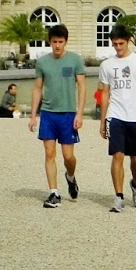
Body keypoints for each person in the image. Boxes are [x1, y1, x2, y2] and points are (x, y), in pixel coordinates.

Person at [98, 24, 136, 213]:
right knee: (117, 155)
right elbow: (105, 92)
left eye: (121, 43)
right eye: (115, 44)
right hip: (115, 115)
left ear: (128, 41)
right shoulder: (107, 64)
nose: (118, 47)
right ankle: (118, 196)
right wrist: (102, 120)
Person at [30, 24, 87, 208]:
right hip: (48, 113)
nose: (57, 45)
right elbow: (37, 88)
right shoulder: (42, 62)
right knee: (49, 153)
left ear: (65, 42)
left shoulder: (75, 60)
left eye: (60, 42)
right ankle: (54, 192)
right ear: (49, 42)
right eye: (54, 42)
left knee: (68, 157)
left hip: (68, 114)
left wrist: (79, 113)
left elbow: (82, 87)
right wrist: (33, 115)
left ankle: (70, 176)